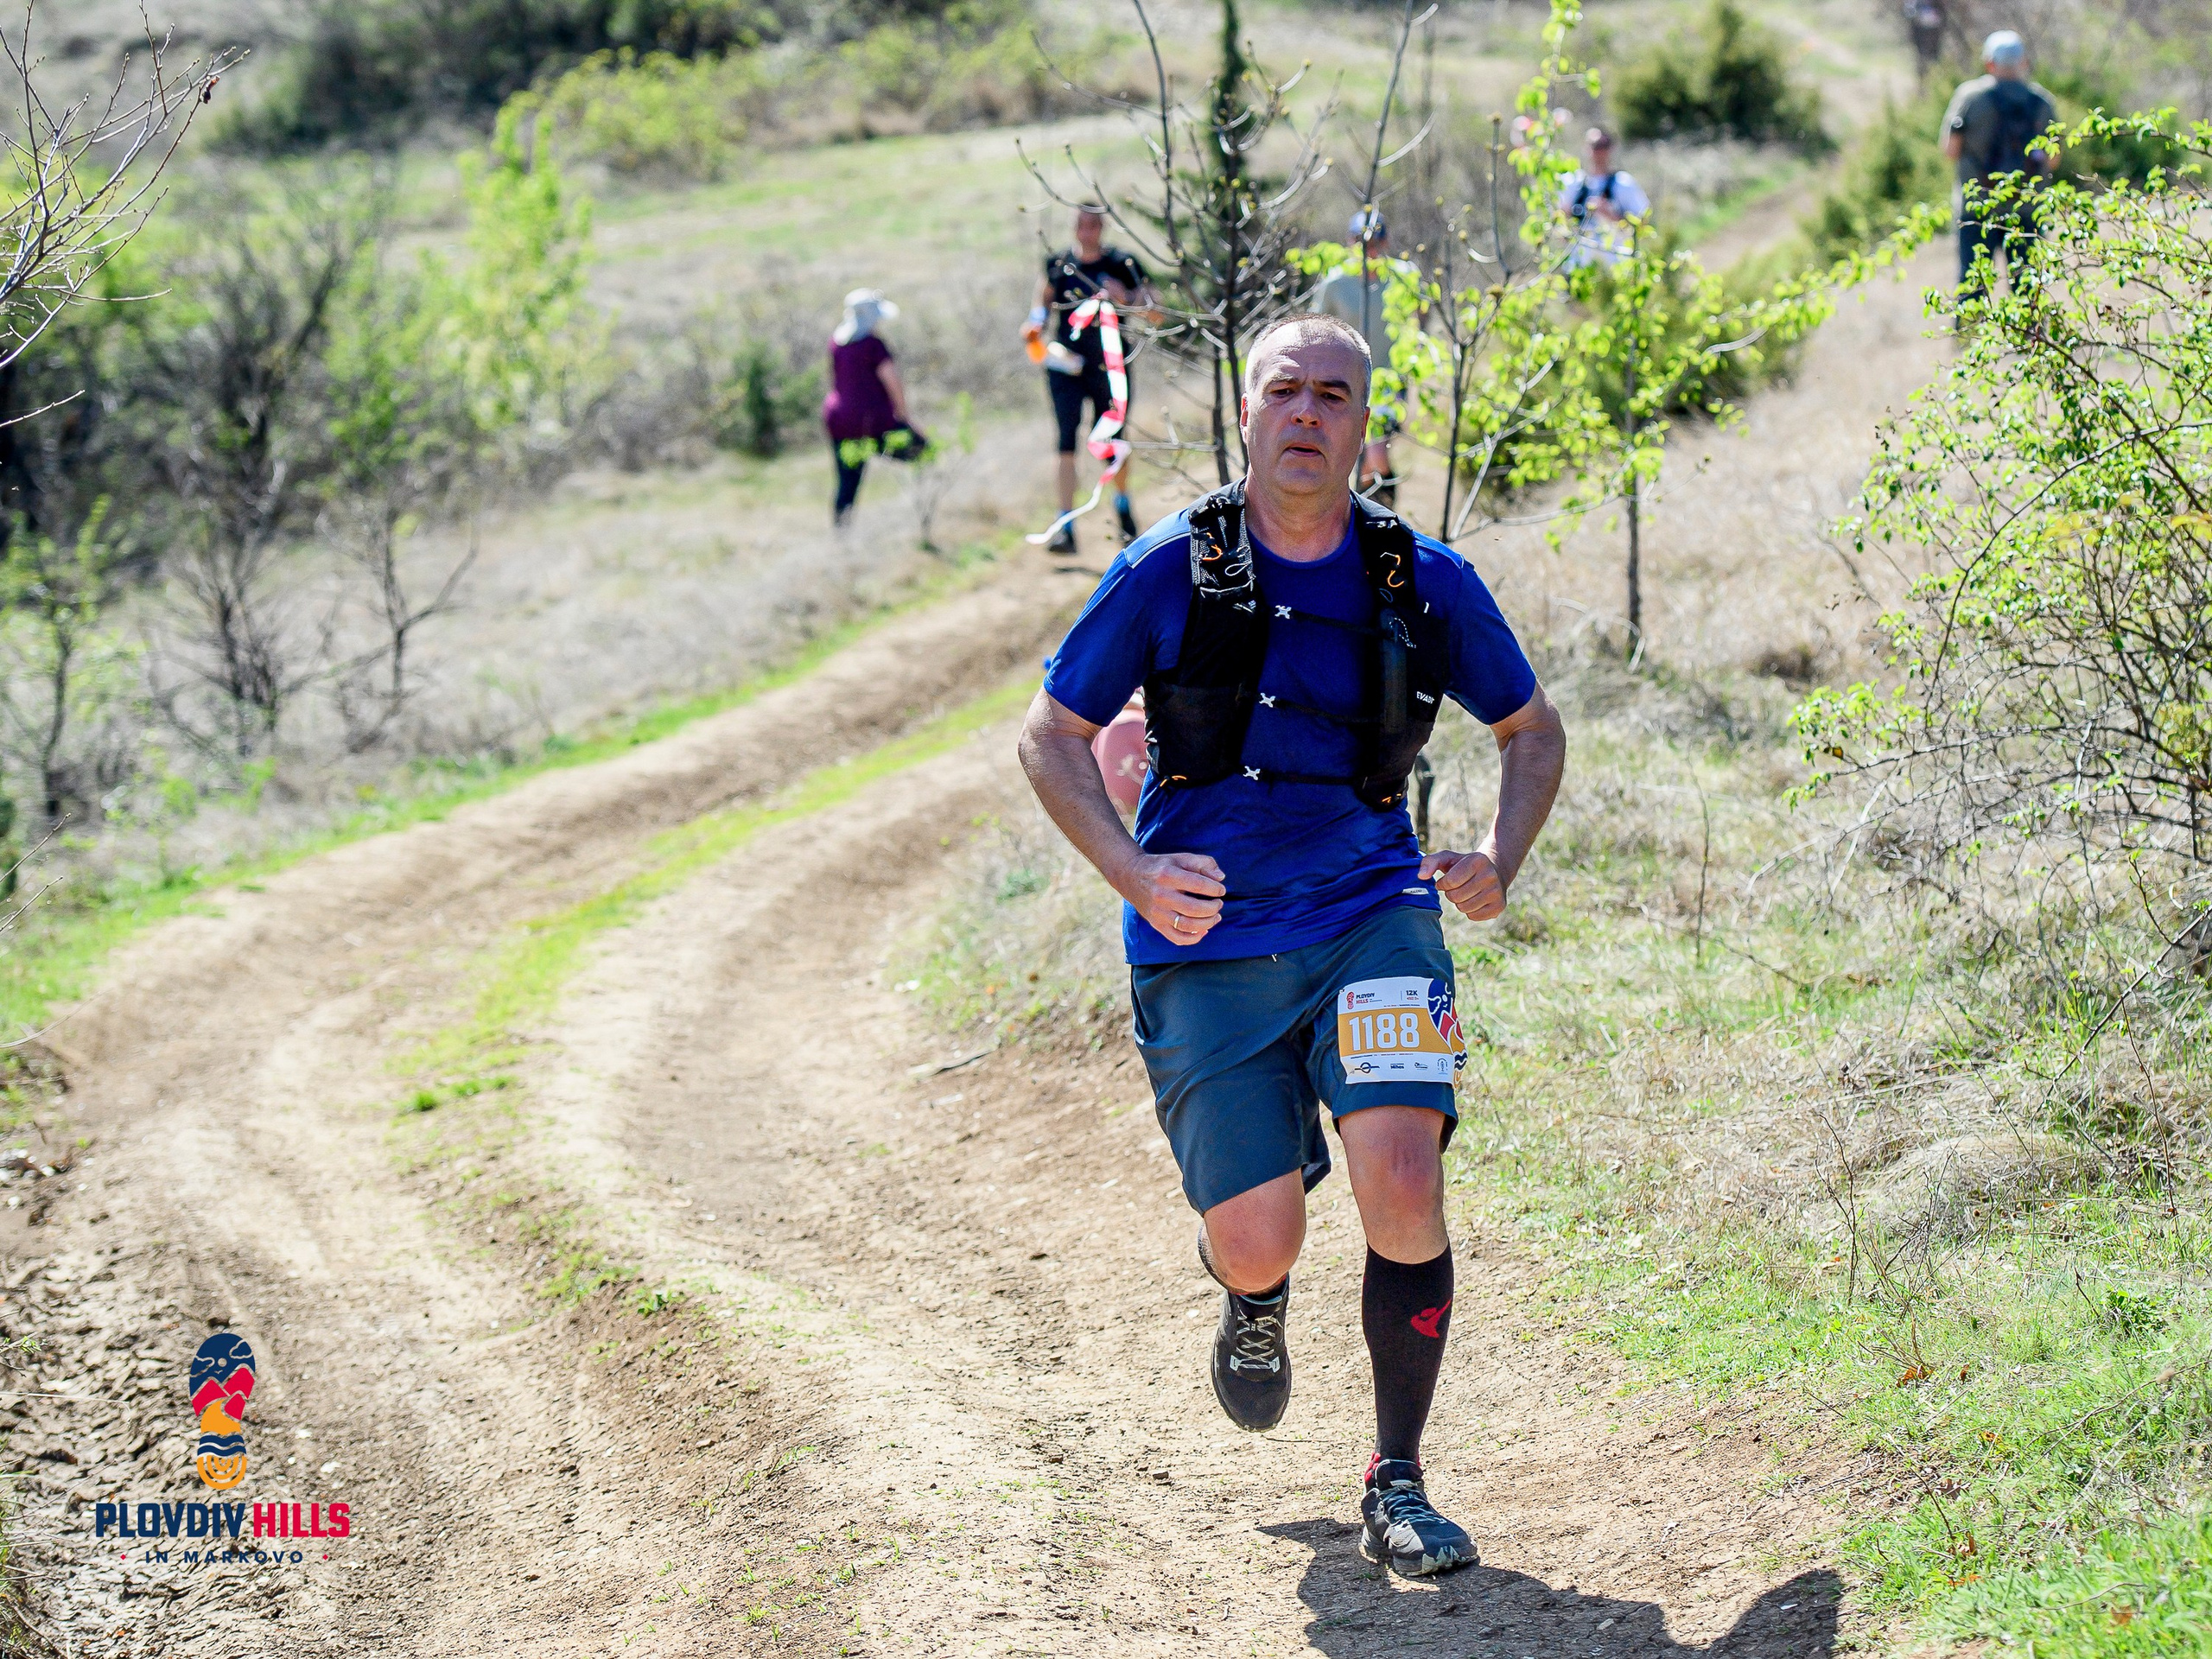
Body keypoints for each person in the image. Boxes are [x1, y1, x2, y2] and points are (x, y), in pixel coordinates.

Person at [1018, 314, 1567, 1578]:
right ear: (1248, 415)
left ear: (1364, 428)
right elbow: (1049, 735)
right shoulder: (1171, 566)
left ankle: (1399, 1478)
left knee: (1404, 1176)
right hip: (1204, 937)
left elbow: (1531, 727)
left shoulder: (1418, 579)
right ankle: (1252, 1299)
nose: (1308, 413)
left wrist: (1498, 858)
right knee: (1262, 1232)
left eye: (1334, 395)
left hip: (1373, 910)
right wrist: (1137, 869)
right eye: (1286, 392)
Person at [1027, 207, 1162, 554]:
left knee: (1113, 442)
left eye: (1092, 225)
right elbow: (1041, 303)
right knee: (1066, 442)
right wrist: (1034, 326)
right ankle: (1065, 527)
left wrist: (1126, 297)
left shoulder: (1122, 264)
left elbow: (1157, 311)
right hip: (1066, 367)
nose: (1085, 232)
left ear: (1102, 228)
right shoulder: (1058, 264)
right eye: (1080, 225)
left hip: (1109, 369)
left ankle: (1124, 511)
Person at [1941, 31, 2059, 294]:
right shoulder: (2041, 102)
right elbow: (2054, 160)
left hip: (1977, 209)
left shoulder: (1969, 97)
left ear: (1989, 63)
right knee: (2029, 289)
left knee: (1972, 285)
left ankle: (1968, 335)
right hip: (2028, 210)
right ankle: (2030, 336)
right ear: (2024, 62)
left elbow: (1950, 150)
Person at [1313, 207, 1413, 505]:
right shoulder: (1335, 283)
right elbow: (1318, 332)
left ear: (1385, 243)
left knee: (1377, 454)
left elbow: (1419, 319)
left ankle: (1379, 515)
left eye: (1374, 242)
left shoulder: (1403, 279)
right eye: (1360, 242)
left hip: (1388, 383)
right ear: (1349, 242)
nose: (1368, 249)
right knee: (1349, 457)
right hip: (1343, 384)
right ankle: (1360, 519)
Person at [822, 289, 919, 526]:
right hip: (873, 421)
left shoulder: (837, 342)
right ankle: (927, 508)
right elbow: (892, 381)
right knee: (922, 452)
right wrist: (904, 417)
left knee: (847, 482)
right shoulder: (873, 345)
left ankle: (841, 534)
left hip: (839, 419)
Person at [1558, 127, 1649, 270]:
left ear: (1611, 148)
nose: (1599, 152)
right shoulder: (1571, 183)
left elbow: (1642, 227)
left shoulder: (1624, 184)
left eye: (1603, 146)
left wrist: (1610, 215)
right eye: (1595, 146)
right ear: (1586, 148)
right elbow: (1559, 226)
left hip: (1615, 269)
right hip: (1579, 270)